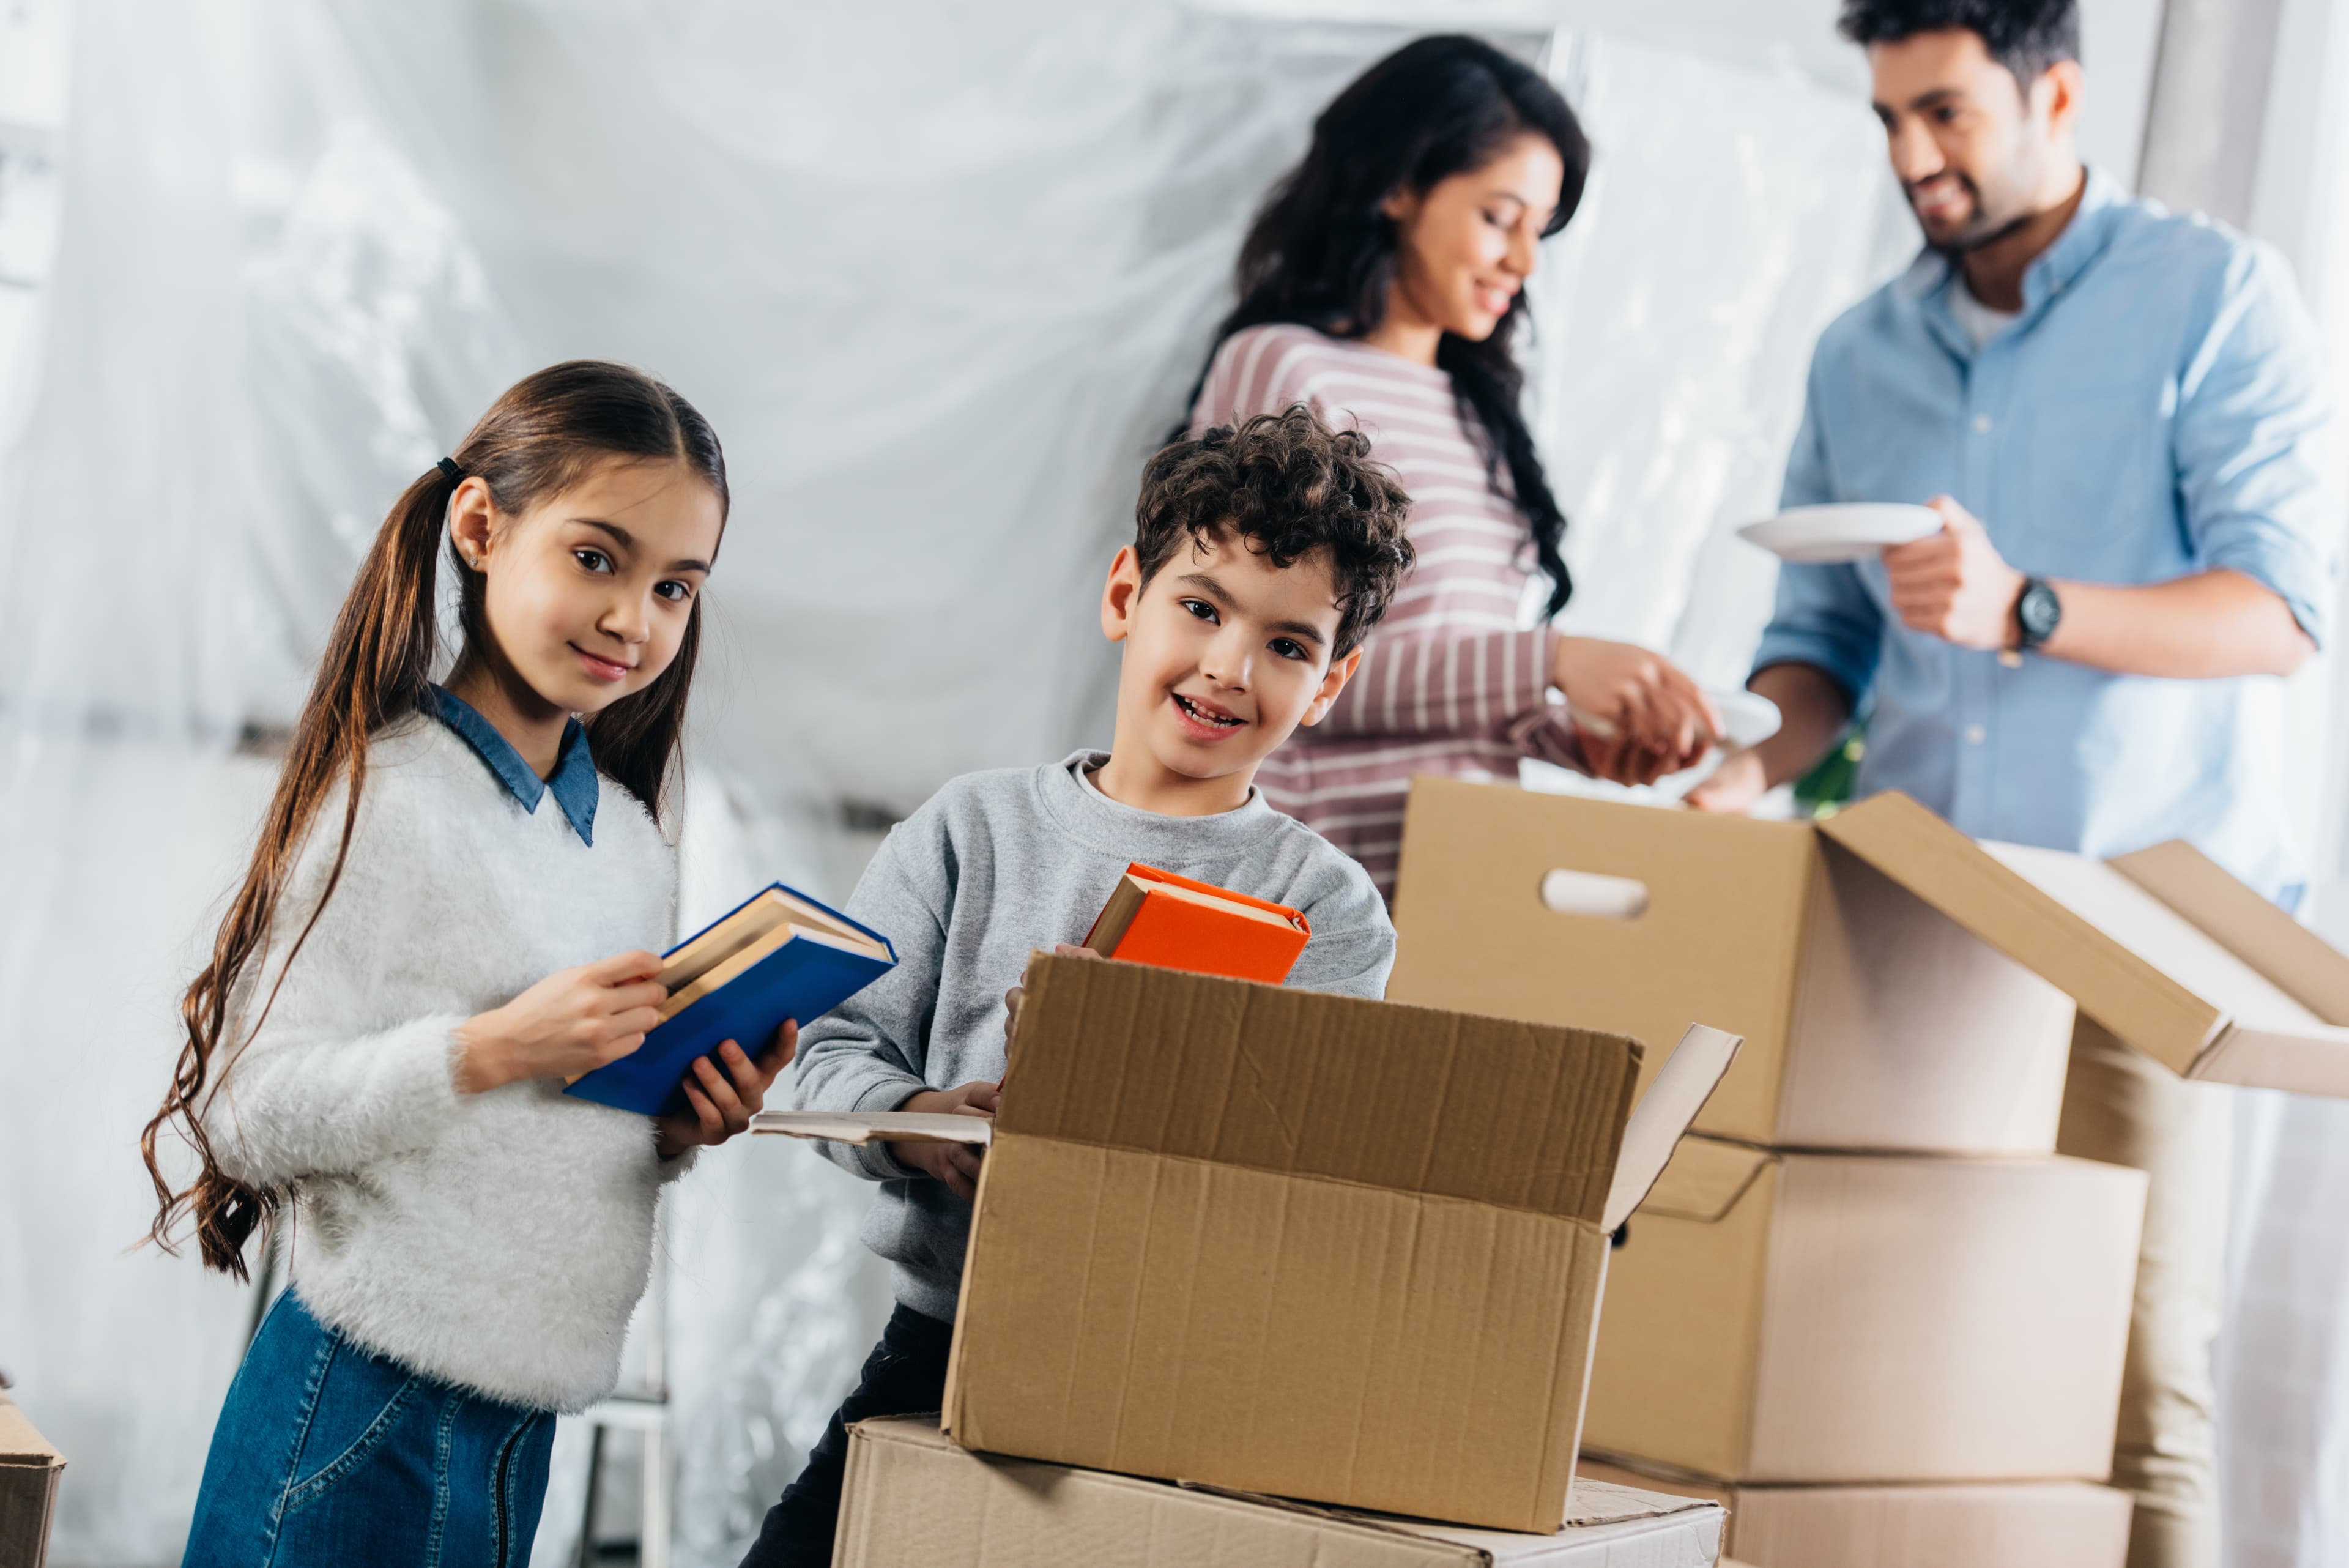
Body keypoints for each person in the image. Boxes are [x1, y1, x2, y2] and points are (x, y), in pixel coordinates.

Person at [1686, 4, 2334, 1564]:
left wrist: (2025, 608)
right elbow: (1818, 643)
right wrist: (1744, 761)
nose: (1914, 157)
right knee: (1881, 1376)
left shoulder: (2217, 296)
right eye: (1890, 119)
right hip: (1907, 932)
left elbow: (2281, 612)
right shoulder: (1862, 350)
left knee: (2133, 1395)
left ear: (2056, 91)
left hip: (2140, 936)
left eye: (1949, 115)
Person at [143, 362, 794, 1566]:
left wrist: (668, 1126)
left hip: (518, 1428)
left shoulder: (626, 844)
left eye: (674, 586)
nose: (632, 618)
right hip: (360, 1406)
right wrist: (494, 1045)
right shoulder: (386, 802)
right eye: (596, 558)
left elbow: (527, 1138)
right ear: (483, 527)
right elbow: (245, 1112)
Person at [738, 406, 1408, 1565]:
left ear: (1332, 681)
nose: (1226, 668)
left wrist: (1123, 1069)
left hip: (1174, 1395)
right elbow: (828, 1044)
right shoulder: (970, 829)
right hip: (937, 1355)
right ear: (1123, 598)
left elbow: (1309, 1164)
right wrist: (912, 1121)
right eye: (1199, 608)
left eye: (1288, 646)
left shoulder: (1331, 908)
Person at [1187, 34, 1720, 899]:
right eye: (1499, 217)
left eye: (1540, 230)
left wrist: (1567, 737)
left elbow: (1438, 683)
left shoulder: (1478, 415)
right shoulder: (1284, 369)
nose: (1525, 261)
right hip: (1307, 893)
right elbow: (1262, 667)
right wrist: (1547, 661)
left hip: (1460, 888)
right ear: (1399, 185)